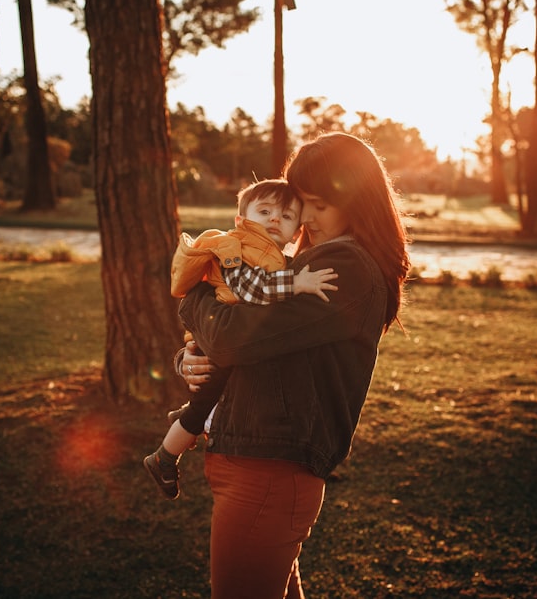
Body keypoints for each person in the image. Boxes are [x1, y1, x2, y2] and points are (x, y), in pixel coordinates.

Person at [175, 133, 410, 598]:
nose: (307, 217)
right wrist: (188, 358)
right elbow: (234, 332)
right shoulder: (301, 262)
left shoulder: (344, 268)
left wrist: (194, 294)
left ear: (358, 202)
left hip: (270, 471)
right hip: (257, 463)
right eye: (303, 202)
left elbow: (230, 335)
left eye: (320, 204)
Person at [144, 178, 339, 500]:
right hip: (214, 336)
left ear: (296, 232)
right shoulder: (236, 246)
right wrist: (296, 284)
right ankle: (164, 457)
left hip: (228, 334)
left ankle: (188, 417)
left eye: (287, 216)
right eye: (265, 211)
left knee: (219, 392)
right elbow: (246, 289)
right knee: (203, 403)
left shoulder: (273, 256)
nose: (276, 219)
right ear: (241, 220)